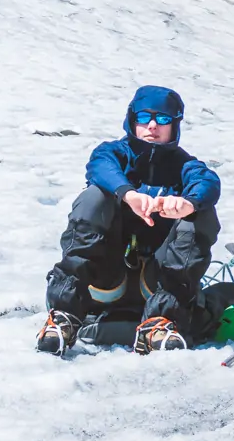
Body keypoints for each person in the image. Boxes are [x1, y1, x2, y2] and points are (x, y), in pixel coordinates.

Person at [38, 86, 222, 355]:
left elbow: (207, 182)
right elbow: (100, 167)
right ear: (132, 120)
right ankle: (64, 316)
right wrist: (128, 194)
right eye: (144, 117)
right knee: (93, 197)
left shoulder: (185, 166)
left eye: (162, 119)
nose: (152, 125)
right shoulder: (112, 153)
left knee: (202, 212)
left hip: (158, 282)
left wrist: (187, 204)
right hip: (106, 280)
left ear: (174, 125)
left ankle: (160, 322)